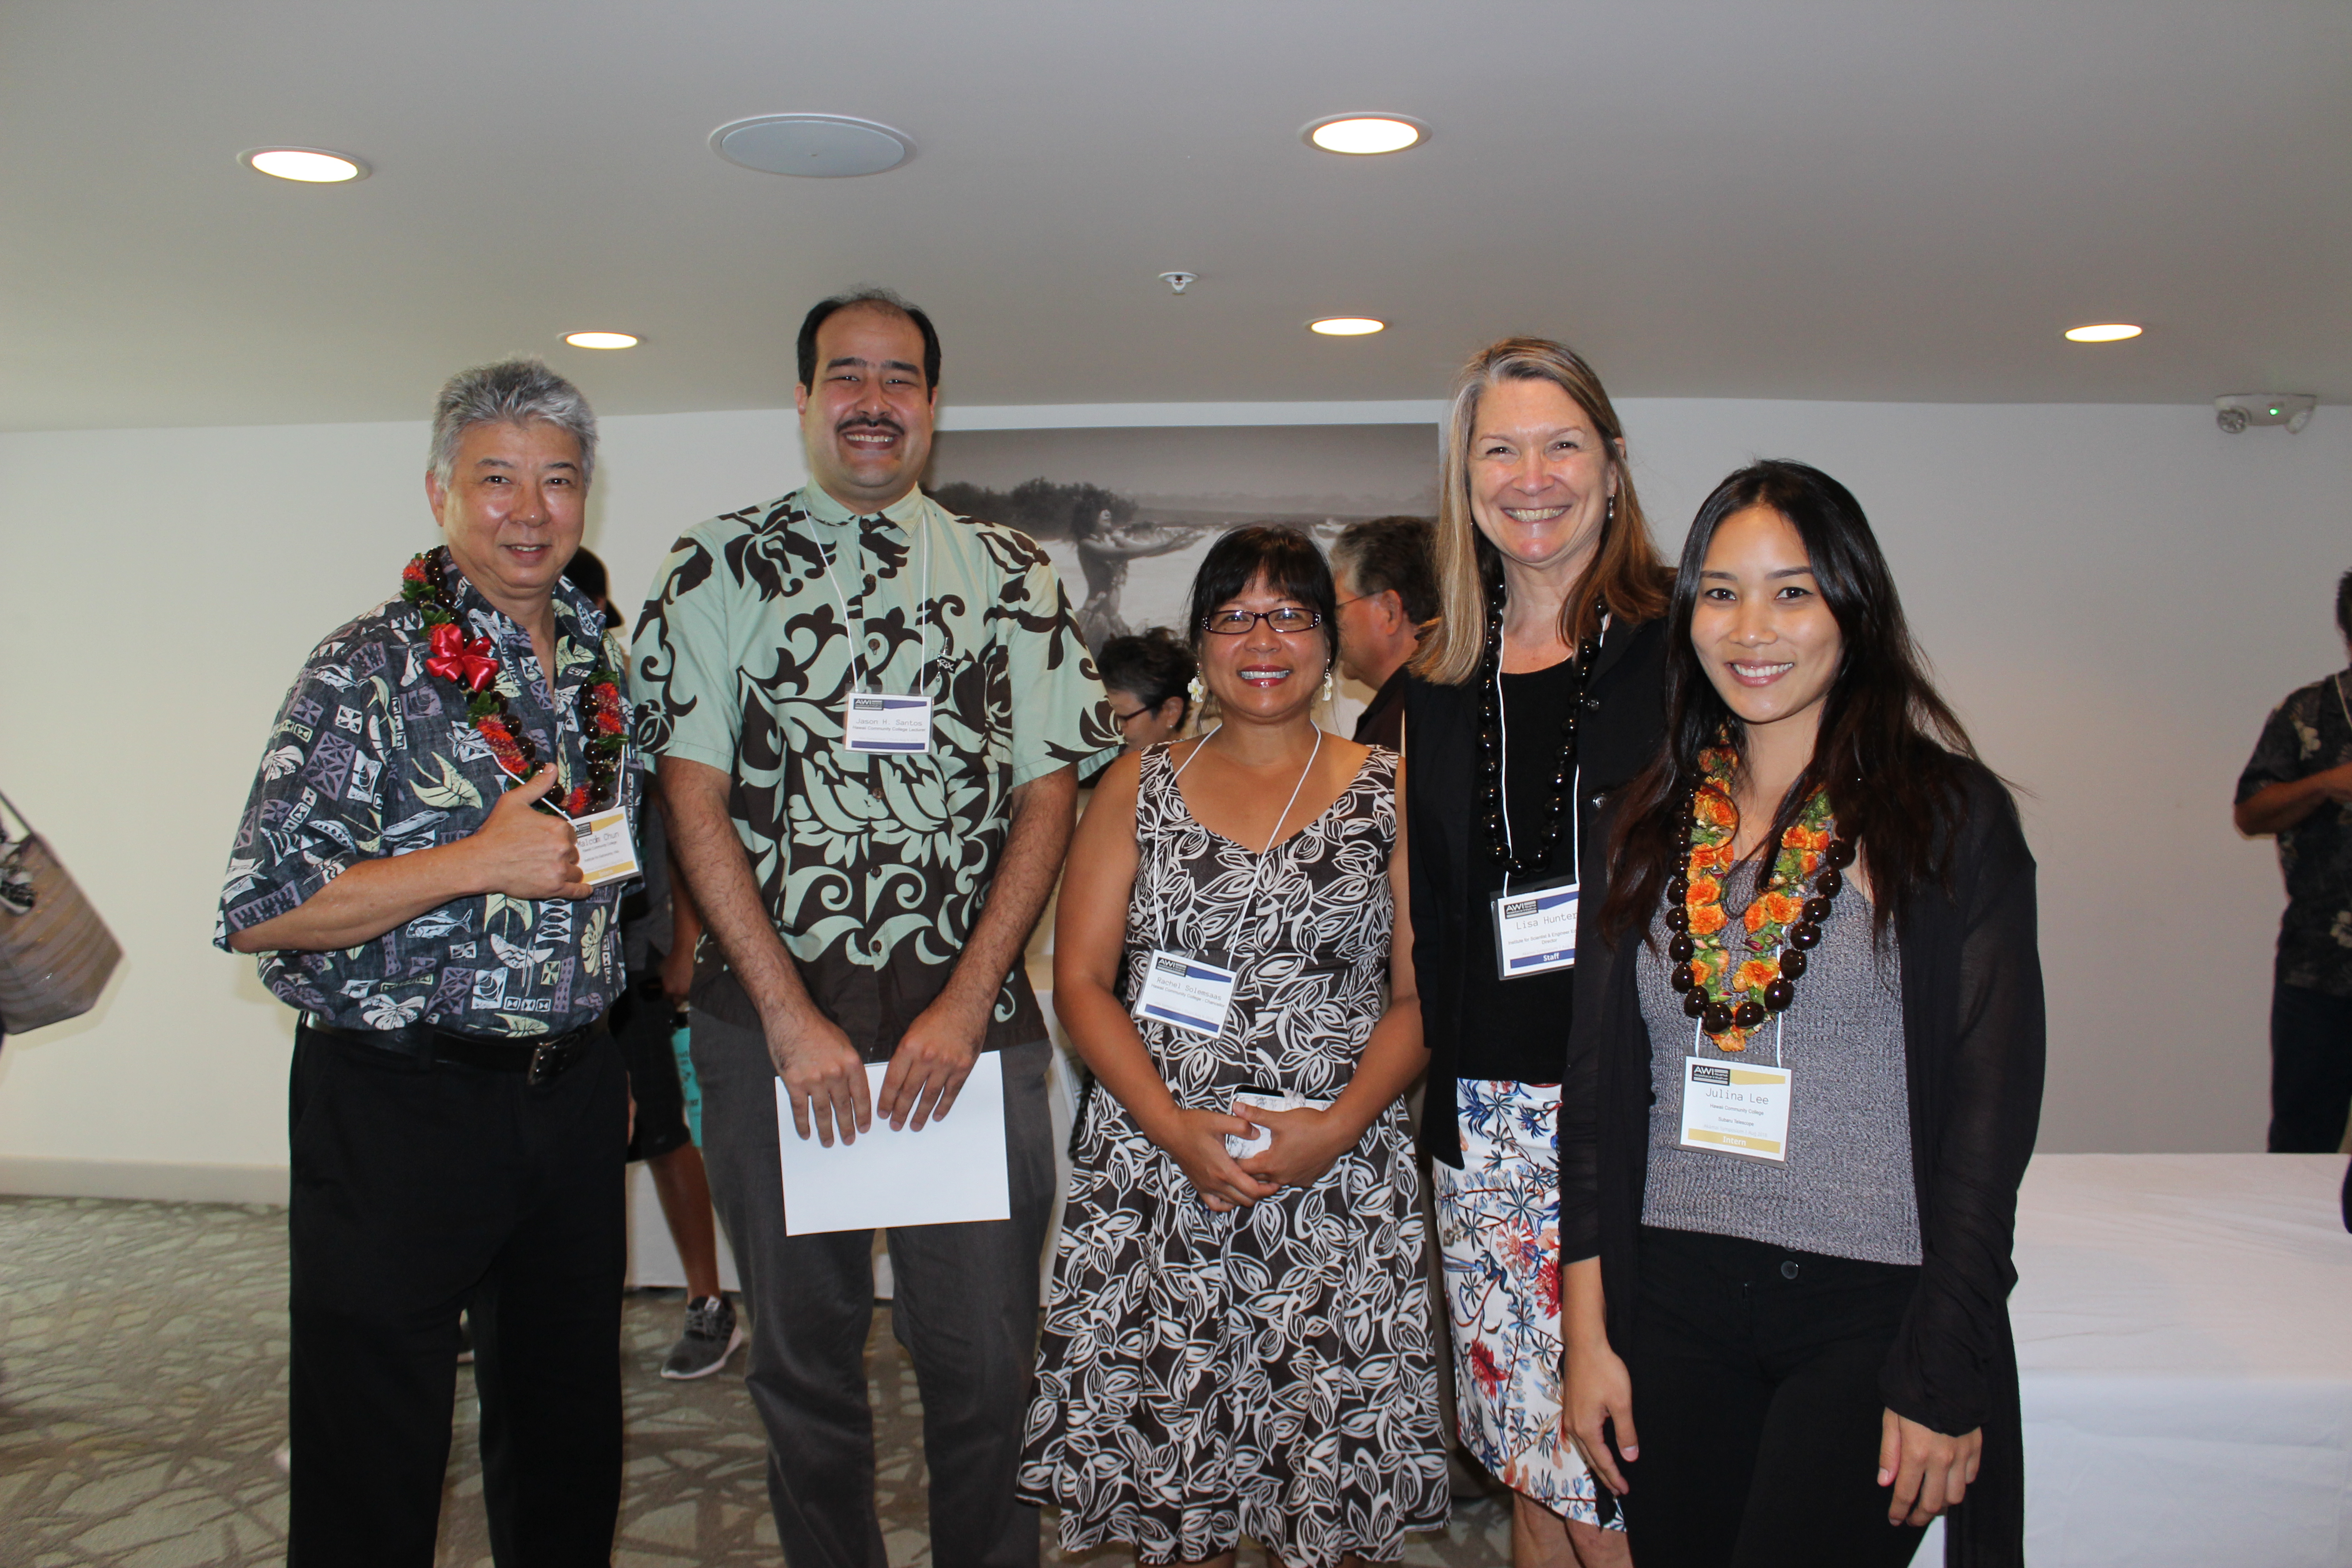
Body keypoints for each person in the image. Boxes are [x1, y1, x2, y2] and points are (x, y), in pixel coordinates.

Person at [629, 286, 1118, 1568]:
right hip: (773, 1029)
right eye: (846, 375)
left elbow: (1049, 789)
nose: (873, 401)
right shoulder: (714, 562)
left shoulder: (1013, 573)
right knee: (802, 1369)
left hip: (969, 1027)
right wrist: (787, 1017)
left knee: (982, 1371)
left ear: (935, 408)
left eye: (901, 378)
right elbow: (692, 795)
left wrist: (967, 1003)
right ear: (802, 399)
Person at [1560, 460, 2044, 1568]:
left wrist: (1945, 1364)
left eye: (1791, 590)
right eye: (1720, 591)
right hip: (1671, 1295)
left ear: (1851, 606)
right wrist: (1584, 1336)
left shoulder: (1944, 816)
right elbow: (1590, 1107)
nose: (1750, 627)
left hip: (1866, 1308)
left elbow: (1987, 1121)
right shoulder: (1645, 820)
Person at [215, 358, 634, 1566]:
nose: (530, 510)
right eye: (497, 479)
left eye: (558, 482)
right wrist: (472, 862)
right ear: (442, 493)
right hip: (398, 1102)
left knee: (567, 1431)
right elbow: (260, 907)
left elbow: (603, 879)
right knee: (374, 1444)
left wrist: (597, 1057)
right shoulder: (367, 667)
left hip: (564, 1102)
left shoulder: (602, 667)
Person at [1019, 524, 1447, 1567]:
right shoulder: (1136, 782)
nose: (1264, 637)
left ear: (1327, 634)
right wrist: (1171, 1128)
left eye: (1292, 613)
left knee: (1330, 1491)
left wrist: (1333, 1130)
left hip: (1338, 1184)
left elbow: (1421, 994)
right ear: (1202, 640)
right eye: (1235, 615)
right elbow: (1081, 982)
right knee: (1180, 1494)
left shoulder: (1389, 789)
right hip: (1162, 1179)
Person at [1401, 338, 1668, 1568]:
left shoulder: (1683, 659)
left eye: (1562, 444)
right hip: (1487, 1127)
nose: (1531, 475)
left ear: (1611, 471)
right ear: (1466, 485)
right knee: (1524, 1465)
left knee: (1610, 1479)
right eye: (1498, 449)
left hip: (1633, 1124)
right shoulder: (1437, 684)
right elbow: (1427, 929)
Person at [565, 547, 740, 1379]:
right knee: (573, 1149)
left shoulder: (633, 699)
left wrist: (683, 946)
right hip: (553, 978)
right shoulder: (514, 701)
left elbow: (688, 824)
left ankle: (708, 1301)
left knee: (666, 1133)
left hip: (633, 959)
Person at [2233, 569, 2352, 1154]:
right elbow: (2251, 813)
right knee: (2303, 1140)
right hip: (2319, 968)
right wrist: (2327, 783)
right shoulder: (2309, 712)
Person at [1330, 514, 1438, 750]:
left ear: (1390, 611)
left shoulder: (1412, 719)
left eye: (1337, 608)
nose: (1329, 627)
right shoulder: (1424, 707)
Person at [1073, 505, 1194, 655]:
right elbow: (1124, 554)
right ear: (1088, 517)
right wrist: (1166, 544)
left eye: (1107, 509)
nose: (1107, 512)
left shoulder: (1110, 541)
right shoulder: (1087, 545)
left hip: (1112, 619)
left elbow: (1144, 551)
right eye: (1100, 511)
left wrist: (1176, 545)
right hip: (1095, 617)